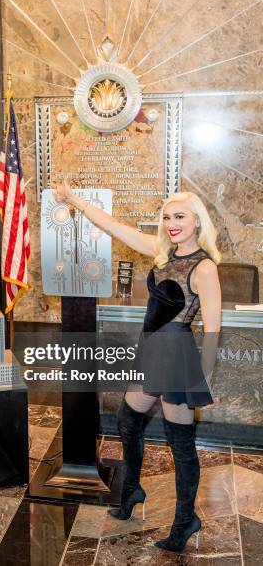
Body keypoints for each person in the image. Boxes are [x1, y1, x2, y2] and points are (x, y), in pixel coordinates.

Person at [51, 179, 222, 553]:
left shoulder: (204, 268)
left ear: (197, 221)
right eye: (167, 217)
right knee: (128, 420)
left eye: (180, 216)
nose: (172, 223)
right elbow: (112, 226)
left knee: (181, 444)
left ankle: (184, 521)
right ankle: (131, 490)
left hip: (176, 357)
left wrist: (204, 380)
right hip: (150, 351)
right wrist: (74, 199)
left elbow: (212, 328)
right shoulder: (162, 253)